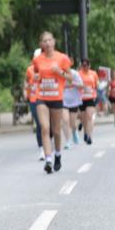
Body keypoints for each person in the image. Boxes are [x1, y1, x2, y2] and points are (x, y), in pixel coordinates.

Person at [31, 32, 73, 173]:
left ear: (54, 42)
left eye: (49, 40)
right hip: (42, 97)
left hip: (56, 97)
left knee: (56, 131)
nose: (47, 43)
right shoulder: (38, 60)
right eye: (45, 41)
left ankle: (58, 155)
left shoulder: (62, 58)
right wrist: (36, 76)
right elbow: (35, 73)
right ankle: (48, 159)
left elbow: (70, 78)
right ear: (41, 44)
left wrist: (59, 72)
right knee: (44, 128)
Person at [25, 53, 44, 160]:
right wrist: (26, 89)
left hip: (45, 98)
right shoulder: (29, 70)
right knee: (39, 124)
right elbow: (26, 83)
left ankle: (48, 142)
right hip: (33, 99)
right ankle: (41, 149)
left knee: (47, 124)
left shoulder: (47, 68)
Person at [62, 64, 84, 149]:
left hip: (74, 102)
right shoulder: (60, 73)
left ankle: (74, 131)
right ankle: (68, 140)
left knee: (72, 123)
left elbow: (82, 85)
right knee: (65, 120)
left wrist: (73, 83)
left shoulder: (74, 73)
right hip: (63, 101)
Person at [78, 59, 98, 145]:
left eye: (86, 65)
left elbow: (96, 85)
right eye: (83, 65)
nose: (85, 67)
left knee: (89, 117)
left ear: (89, 66)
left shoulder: (93, 73)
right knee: (84, 118)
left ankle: (89, 136)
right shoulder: (78, 74)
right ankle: (85, 133)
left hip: (91, 97)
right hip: (81, 98)